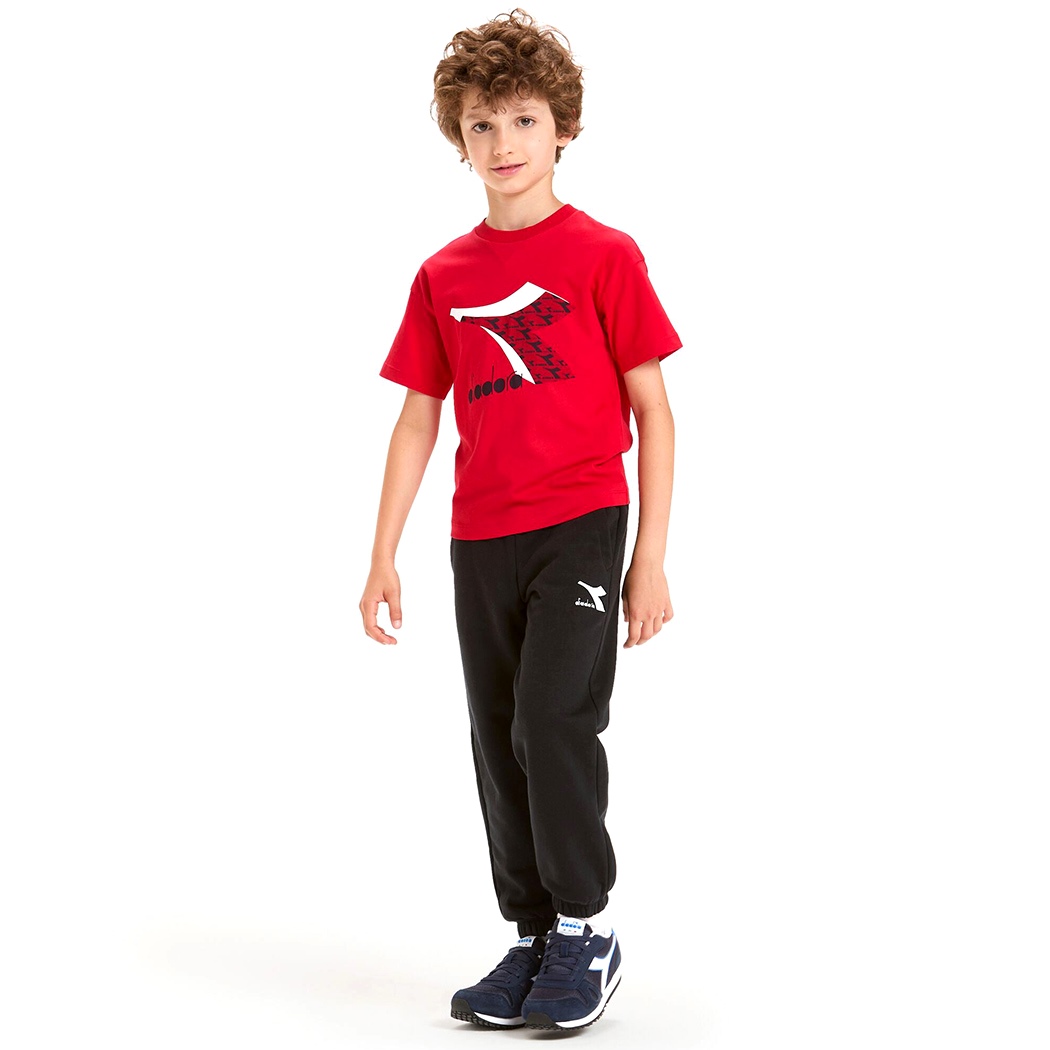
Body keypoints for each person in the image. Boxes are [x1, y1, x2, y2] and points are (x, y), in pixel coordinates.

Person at [358, 7, 681, 1032]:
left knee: (553, 719)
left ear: (563, 129)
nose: (504, 144)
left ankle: (589, 926)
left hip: (581, 520)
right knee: (499, 736)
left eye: (525, 120)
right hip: (480, 538)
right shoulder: (443, 276)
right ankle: (534, 931)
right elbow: (419, 416)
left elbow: (654, 410)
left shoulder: (604, 255)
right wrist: (382, 554)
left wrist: (650, 559)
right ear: (459, 138)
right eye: (482, 125)